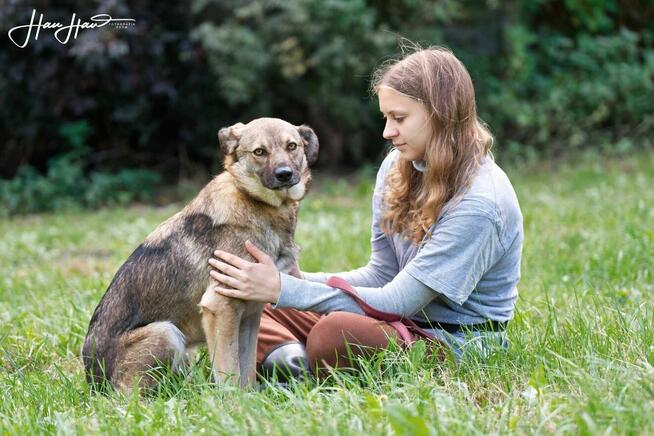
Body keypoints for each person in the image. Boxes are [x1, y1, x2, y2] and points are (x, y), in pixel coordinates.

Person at [208, 46, 523, 381]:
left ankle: (289, 359)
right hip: (390, 320)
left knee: (334, 332)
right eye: (386, 118)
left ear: (441, 114)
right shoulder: (397, 166)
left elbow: (397, 301)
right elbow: (381, 273)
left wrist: (282, 289)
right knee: (246, 303)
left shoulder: (481, 202)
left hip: (448, 339)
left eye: (399, 119)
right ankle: (293, 361)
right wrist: (294, 282)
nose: (387, 132)